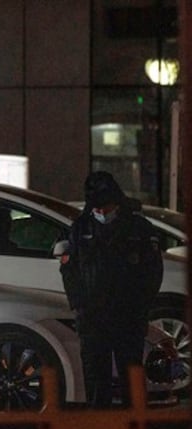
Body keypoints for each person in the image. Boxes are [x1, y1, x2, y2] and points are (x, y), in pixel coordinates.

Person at [59, 171, 163, 408]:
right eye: (97, 209)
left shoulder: (139, 228)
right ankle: (100, 423)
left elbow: (152, 272)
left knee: (131, 375)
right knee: (96, 377)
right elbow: (69, 270)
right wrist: (79, 304)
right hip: (92, 318)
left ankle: (133, 421)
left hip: (128, 316)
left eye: (106, 207)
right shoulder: (80, 228)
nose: (102, 213)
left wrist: (140, 306)